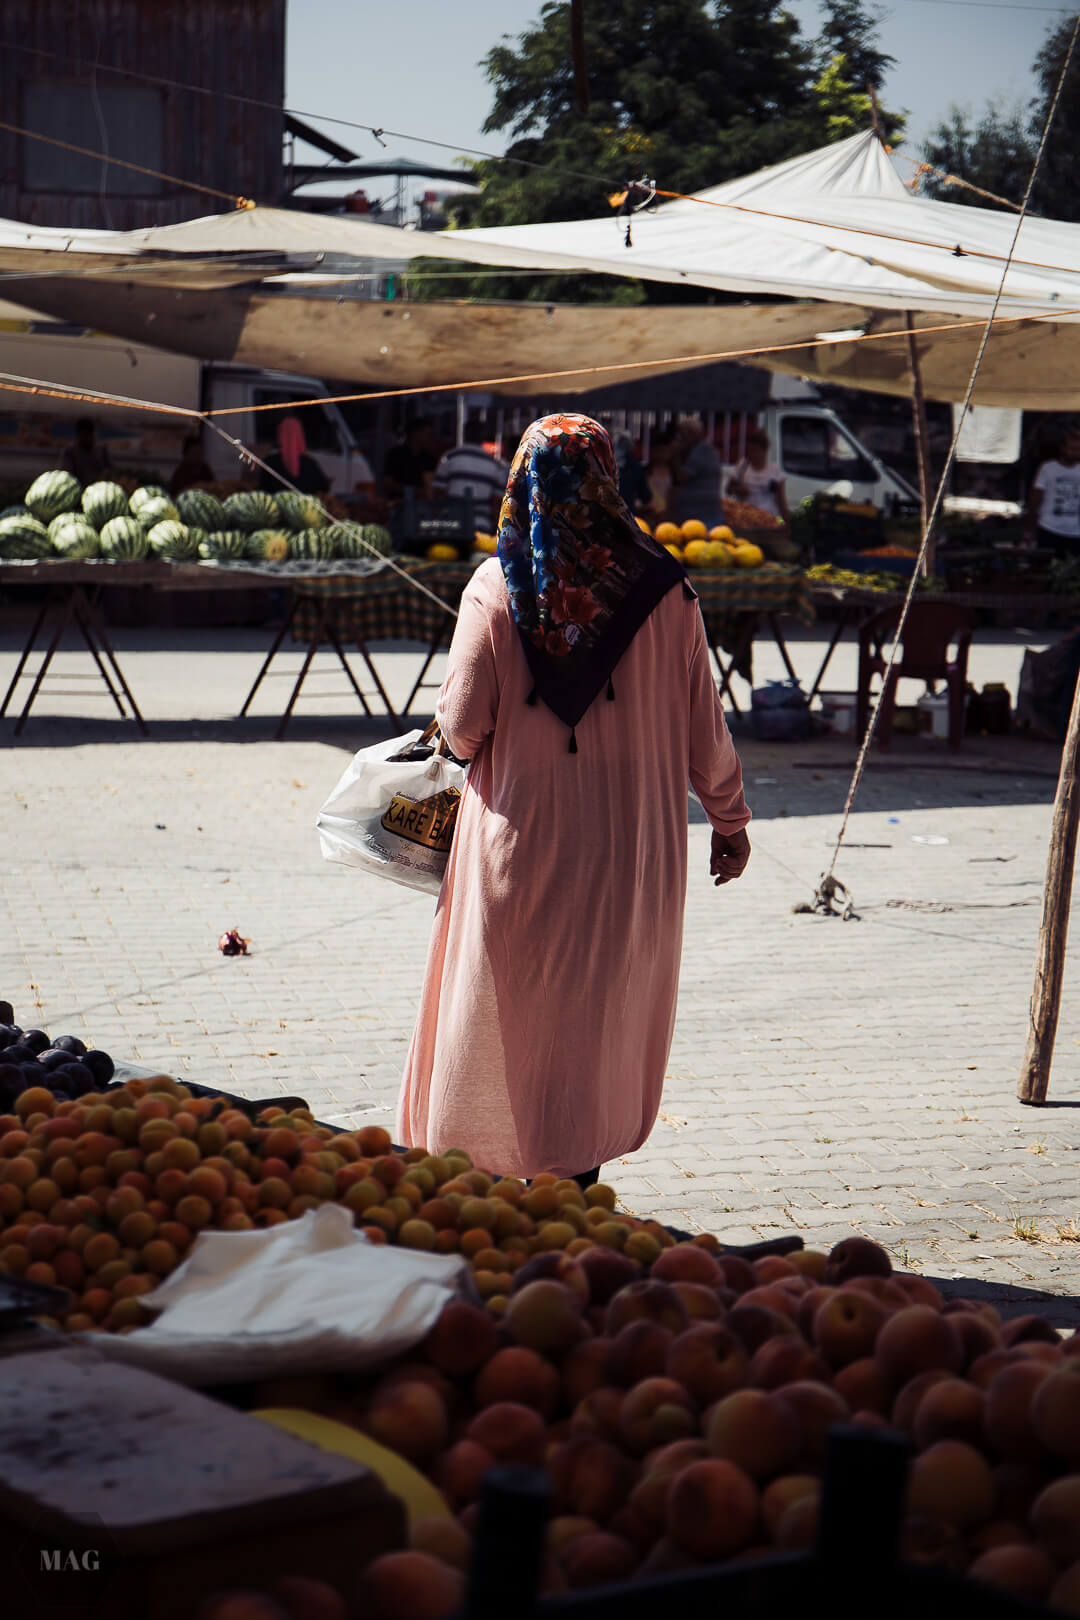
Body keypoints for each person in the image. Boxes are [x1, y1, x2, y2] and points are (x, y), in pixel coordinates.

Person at [397, 414, 751, 1186]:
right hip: (633, 850)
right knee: (592, 1022)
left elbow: (463, 728)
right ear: (607, 479)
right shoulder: (667, 591)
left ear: (521, 480)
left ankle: (495, 1188)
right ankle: (573, 1185)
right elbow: (707, 735)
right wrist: (730, 820)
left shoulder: (498, 586)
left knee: (513, 1013)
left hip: (523, 845)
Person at [432, 420, 509, 525]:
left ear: (464, 434)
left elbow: (438, 493)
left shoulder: (449, 457)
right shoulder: (495, 465)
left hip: (451, 523)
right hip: (481, 525)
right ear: (483, 437)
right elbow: (497, 503)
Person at [1024, 421, 1080, 553]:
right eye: (1073, 449)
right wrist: (1029, 529)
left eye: (1078, 450)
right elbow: (1035, 499)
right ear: (1062, 448)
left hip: (1075, 532)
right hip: (1049, 528)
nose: (1076, 453)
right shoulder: (1048, 468)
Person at [727, 426, 789, 523]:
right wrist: (738, 490)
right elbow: (728, 490)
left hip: (768, 518)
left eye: (756, 450)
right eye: (750, 450)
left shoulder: (775, 471)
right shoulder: (742, 466)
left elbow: (781, 501)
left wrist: (787, 522)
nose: (752, 454)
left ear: (765, 450)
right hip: (746, 518)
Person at [258, 416, 330, 496]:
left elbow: (262, 492)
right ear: (300, 436)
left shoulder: (269, 462)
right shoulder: (310, 464)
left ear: (280, 436)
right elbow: (324, 488)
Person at [674, 414, 722, 527]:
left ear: (691, 432)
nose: (680, 438)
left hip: (702, 515)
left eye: (682, 434)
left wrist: (675, 454)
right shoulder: (703, 449)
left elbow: (682, 476)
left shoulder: (702, 451)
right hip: (699, 513)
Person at [383, 417, 438, 501]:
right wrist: (413, 491)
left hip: (421, 504)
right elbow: (387, 483)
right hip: (398, 503)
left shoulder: (429, 459)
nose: (430, 438)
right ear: (415, 434)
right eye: (428, 434)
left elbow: (432, 484)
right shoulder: (395, 455)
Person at [62, 418, 110, 484]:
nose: (88, 439)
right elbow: (67, 474)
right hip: (78, 487)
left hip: (98, 486)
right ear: (79, 435)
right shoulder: (70, 452)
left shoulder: (101, 450)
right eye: (85, 435)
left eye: (90, 435)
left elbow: (110, 470)